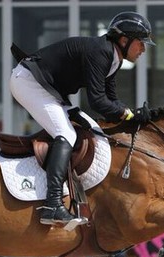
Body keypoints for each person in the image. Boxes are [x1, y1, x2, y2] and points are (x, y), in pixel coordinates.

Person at [10, 12, 155, 229]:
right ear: (124, 40)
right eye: (141, 43)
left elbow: (111, 101)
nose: (143, 49)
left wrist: (132, 116)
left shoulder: (113, 58)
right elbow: (97, 101)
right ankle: (52, 204)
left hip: (49, 89)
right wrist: (130, 115)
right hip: (29, 82)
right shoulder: (101, 52)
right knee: (66, 134)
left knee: (88, 127)